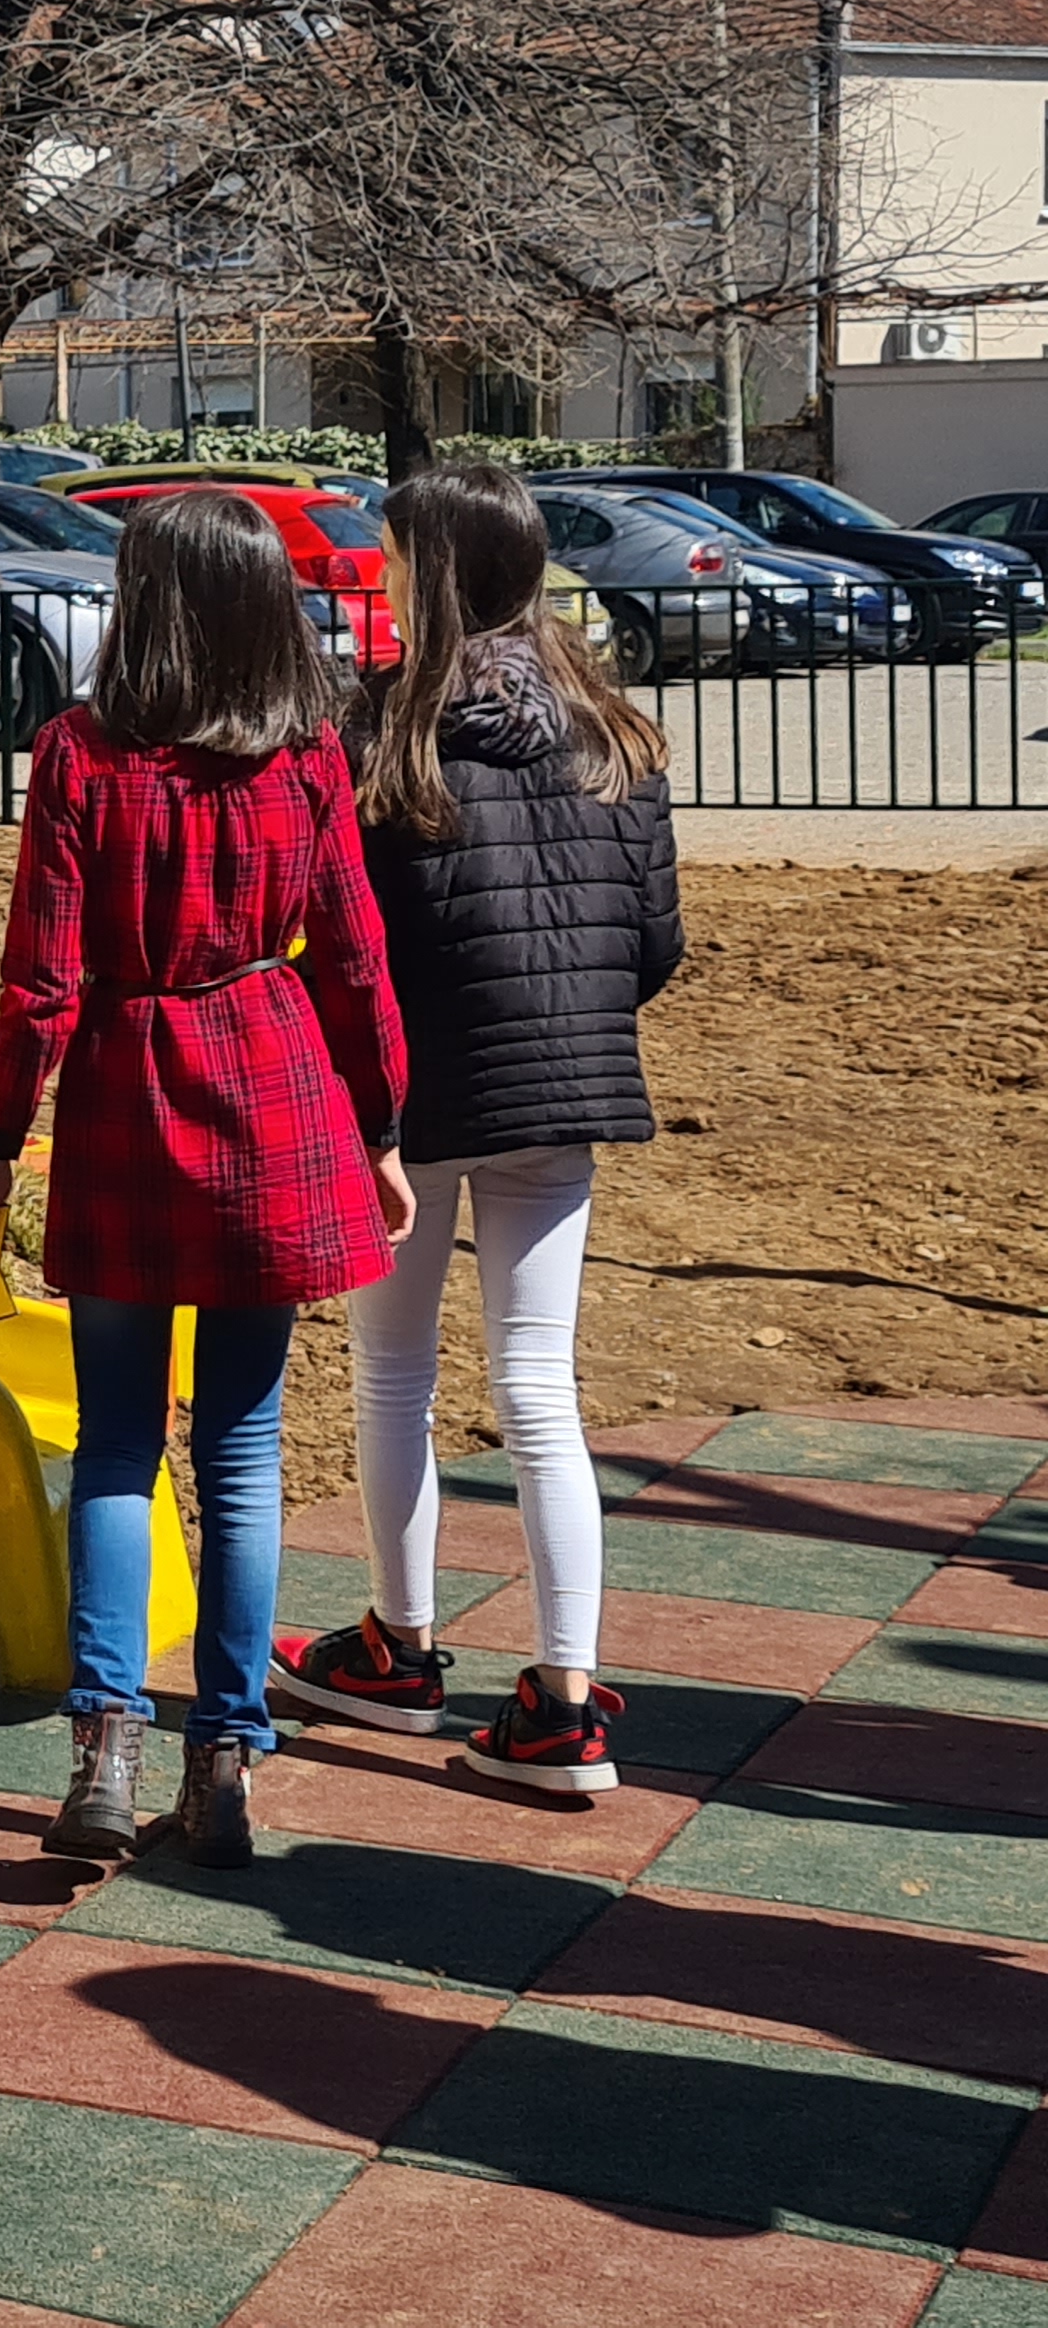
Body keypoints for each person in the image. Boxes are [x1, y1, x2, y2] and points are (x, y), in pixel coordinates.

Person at [0, 487, 414, 1869]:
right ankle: (226, 1763)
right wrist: (382, 1126)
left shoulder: (80, 753)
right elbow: (354, 958)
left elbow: (39, 983)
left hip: (122, 1100)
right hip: (273, 1092)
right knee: (243, 1450)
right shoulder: (306, 756)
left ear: (144, 604)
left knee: (115, 1442)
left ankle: (104, 1751)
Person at [272, 464, 678, 1795]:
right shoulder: (615, 733)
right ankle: (566, 1700)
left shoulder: (381, 733)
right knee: (539, 1387)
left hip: (409, 1101)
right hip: (563, 1092)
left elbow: (343, 939)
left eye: (394, 557)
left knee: (393, 1374)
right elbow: (653, 945)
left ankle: (400, 1644)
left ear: (429, 573)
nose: (383, 579)